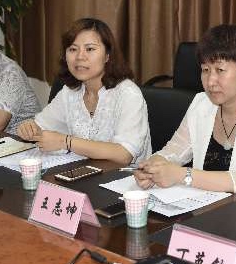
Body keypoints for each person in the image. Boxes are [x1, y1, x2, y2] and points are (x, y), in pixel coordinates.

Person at [133, 24, 236, 209]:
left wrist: (182, 175)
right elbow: (174, 151)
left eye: (220, 70)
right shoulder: (201, 103)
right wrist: (151, 168)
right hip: (207, 208)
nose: (210, 81)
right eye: (205, 70)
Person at [16, 18, 150, 165]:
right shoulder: (70, 91)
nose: (80, 57)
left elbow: (124, 154)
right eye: (73, 49)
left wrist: (66, 142)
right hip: (84, 172)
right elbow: (41, 126)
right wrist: (29, 128)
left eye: (90, 49)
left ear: (107, 55)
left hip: (125, 177)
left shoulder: (128, 94)